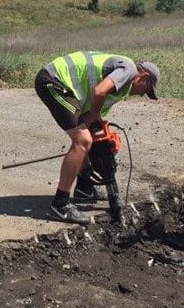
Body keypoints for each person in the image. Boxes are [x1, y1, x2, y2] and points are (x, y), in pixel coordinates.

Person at [35, 51, 160, 224]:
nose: (141, 95)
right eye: (145, 90)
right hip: (53, 81)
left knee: (90, 135)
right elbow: (99, 91)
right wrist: (95, 115)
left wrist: (102, 139)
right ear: (143, 77)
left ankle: (84, 187)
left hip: (63, 85)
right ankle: (59, 206)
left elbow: (91, 115)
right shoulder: (129, 69)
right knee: (83, 140)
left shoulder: (120, 90)